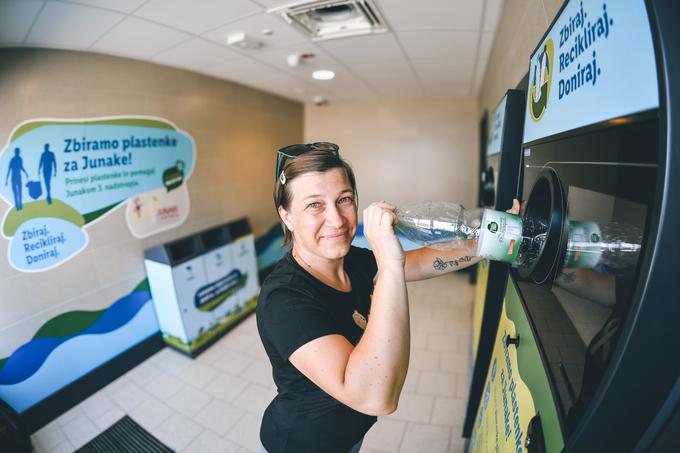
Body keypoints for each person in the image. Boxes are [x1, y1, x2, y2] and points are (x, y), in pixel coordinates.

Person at [256, 143, 520, 453]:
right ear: (286, 216)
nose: (337, 220)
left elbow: (421, 260)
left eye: (344, 200)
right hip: (303, 443)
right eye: (314, 205)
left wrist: (494, 240)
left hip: (348, 435)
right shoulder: (284, 300)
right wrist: (390, 264)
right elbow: (375, 396)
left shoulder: (352, 260)